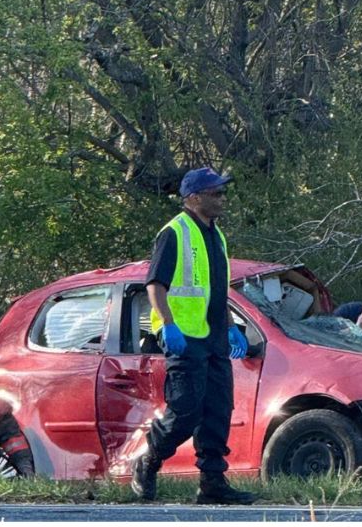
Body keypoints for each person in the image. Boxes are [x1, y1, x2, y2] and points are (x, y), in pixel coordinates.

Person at [132, 167, 257, 505]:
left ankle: (212, 483)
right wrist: (168, 324)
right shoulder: (174, 232)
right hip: (184, 337)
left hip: (215, 337)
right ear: (194, 197)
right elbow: (155, 285)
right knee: (186, 411)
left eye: (222, 192)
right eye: (215, 193)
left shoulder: (216, 235)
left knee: (218, 411)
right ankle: (149, 461)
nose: (222, 198)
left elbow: (216, 290)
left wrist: (231, 325)